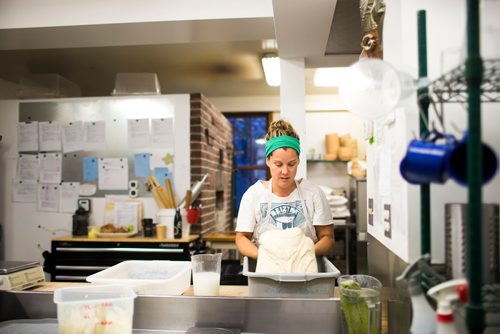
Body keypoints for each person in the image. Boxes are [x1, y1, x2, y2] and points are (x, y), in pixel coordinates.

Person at [235, 119, 335, 260]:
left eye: (291, 164)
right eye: (278, 164)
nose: (285, 171)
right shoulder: (253, 195)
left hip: (305, 271)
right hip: (267, 272)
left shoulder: (313, 193)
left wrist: (305, 254)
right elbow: (241, 238)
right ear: (268, 161)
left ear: (298, 161)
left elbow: (327, 237)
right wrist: (262, 257)